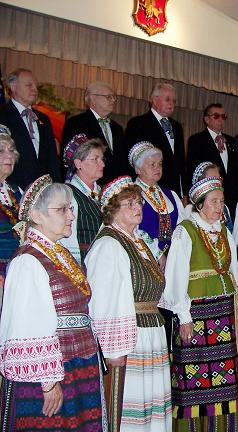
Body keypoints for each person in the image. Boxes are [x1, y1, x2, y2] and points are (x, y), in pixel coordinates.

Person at [0, 175, 104, 431]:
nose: (71, 215)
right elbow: (26, 324)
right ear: (36, 215)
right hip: (49, 373)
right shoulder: (27, 261)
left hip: (76, 363)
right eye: (62, 209)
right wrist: (47, 382)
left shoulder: (59, 253)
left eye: (71, 208)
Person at [86, 176, 171, 431]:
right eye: (129, 204)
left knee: (152, 403)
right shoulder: (108, 245)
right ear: (112, 210)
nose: (138, 208)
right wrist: (113, 350)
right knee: (132, 405)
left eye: (139, 202)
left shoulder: (139, 242)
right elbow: (103, 301)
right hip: (130, 340)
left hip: (151, 333)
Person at [164, 177, 238, 432]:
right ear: (199, 205)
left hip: (224, 311)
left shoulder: (224, 231)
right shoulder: (185, 231)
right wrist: (184, 317)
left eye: (222, 201)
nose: (220, 207)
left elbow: (235, 273)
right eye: (214, 201)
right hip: (197, 312)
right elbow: (176, 276)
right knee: (194, 373)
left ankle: (221, 427)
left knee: (224, 375)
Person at [0, 68, 61, 189]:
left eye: (36, 86)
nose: (35, 89)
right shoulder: (2, 115)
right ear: (13, 86)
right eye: (29, 85)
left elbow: (52, 160)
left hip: (43, 190)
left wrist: (57, 187)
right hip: (12, 189)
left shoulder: (44, 119)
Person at [62, 81, 130, 184]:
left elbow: (123, 159)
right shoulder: (76, 123)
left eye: (113, 97)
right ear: (93, 98)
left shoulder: (117, 128)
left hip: (116, 186)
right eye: (108, 97)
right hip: (90, 184)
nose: (113, 100)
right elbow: (70, 159)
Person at [125, 83, 185, 196]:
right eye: (167, 99)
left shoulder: (177, 126)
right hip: (149, 187)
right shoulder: (138, 123)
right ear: (154, 100)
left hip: (174, 189)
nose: (171, 103)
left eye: (174, 101)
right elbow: (135, 160)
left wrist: (184, 191)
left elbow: (181, 161)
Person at [59, 134, 107, 266]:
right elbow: (67, 237)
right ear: (78, 163)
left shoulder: (105, 192)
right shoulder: (68, 194)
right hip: (86, 262)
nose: (102, 164)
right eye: (95, 159)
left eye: (102, 159)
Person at [130, 141, 185, 254]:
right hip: (145, 256)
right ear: (138, 169)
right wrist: (158, 255)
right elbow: (133, 232)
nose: (158, 168)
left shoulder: (171, 195)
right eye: (152, 164)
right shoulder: (131, 195)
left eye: (160, 164)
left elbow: (182, 228)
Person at [186, 103, 238, 217]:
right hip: (209, 197)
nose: (221, 120)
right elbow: (192, 171)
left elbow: (235, 171)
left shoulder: (231, 141)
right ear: (206, 119)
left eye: (223, 116)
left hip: (232, 198)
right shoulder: (196, 140)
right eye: (216, 116)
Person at [0, 126, 22, 284]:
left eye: (11, 150)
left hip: (17, 271)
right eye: (1, 151)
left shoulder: (17, 191)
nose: (9, 156)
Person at [191, 161, 233, 231]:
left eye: (219, 179)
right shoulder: (190, 213)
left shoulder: (224, 208)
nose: (218, 183)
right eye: (213, 179)